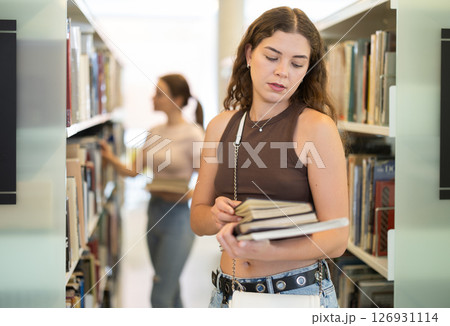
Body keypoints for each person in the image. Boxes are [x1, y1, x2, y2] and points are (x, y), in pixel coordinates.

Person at [190, 7, 349, 308]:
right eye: (272, 57)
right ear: (250, 54)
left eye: (297, 63)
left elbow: (337, 238)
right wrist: (214, 215)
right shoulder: (221, 125)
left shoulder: (317, 128)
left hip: (294, 297)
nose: (282, 72)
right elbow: (197, 219)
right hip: (226, 295)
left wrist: (269, 252)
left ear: (307, 70)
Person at [101, 73, 205, 307]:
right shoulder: (154, 131)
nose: (153, 97)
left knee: (159, 295)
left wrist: (189, 195)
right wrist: (109, 159)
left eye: (159, 93)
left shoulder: (194, 134)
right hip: (154, 213)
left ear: (177, 99)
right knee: (171, 288)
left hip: (179, 217)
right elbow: (134, 170)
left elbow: (209, 179)